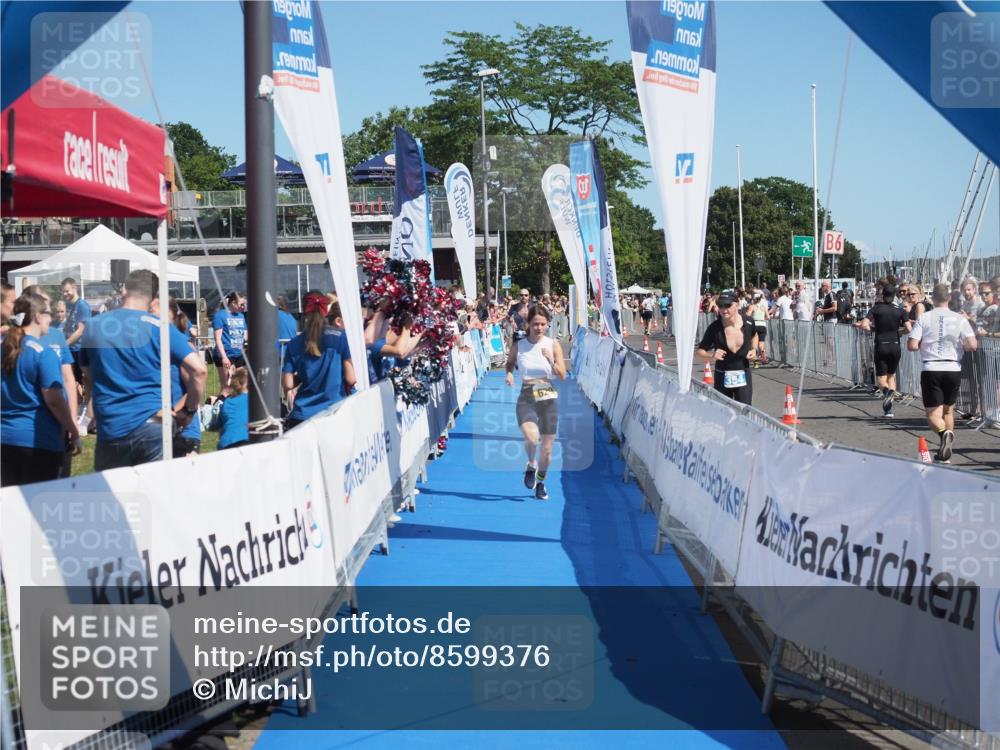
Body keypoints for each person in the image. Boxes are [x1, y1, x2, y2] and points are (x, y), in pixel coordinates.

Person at [79, 270, 207, 471]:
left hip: (111, 428)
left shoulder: (94, 326)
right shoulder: (159, 327)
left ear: (124, 289)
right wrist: (189, 410)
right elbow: (199, 371)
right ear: (154, 297)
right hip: (154, 425)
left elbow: (88, 373)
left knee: (115, 497)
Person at [1, 294, 80, 486]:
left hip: (5, 439)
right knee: (40, 508)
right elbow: (53, 400)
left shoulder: (5, 348)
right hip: (38, 440)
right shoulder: (43, 353)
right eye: (48, 313)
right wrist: (72, 428)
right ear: (37, 317)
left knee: (12, 509)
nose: (51, 318)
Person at [907, 283, 978, 463]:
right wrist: (957, 345)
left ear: (933, 299)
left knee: (933, 414)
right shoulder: (959, 319)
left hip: (932, 368)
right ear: (949, 299)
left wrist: (925, 344)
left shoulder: (924, 318)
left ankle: (944, 434)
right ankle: (946, 451)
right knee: (948, 411)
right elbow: (972, 345)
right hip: (953, 367)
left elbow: (912, 345)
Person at [504, 305, 567, 501]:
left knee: (547, 450)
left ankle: (541, 483)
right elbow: (510, 362)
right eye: (535, 324)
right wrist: (509, 374)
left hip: (547, 396)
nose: (539, 328)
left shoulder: (553, 344)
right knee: (532, 439)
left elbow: (562, 375)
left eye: (542, 324)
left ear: (547, 324)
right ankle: (531, 464)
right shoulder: (520, 345)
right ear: (528, 325)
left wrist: (550, 360)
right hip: (527, 395)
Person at [23, 286, 79, 472]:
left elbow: (69, 379)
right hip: (35, 423)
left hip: (60, 421)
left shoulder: (56, 334)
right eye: (43, 303)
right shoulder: (17, 338)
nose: (49, 309)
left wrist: (71, 419)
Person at [283, 292, 356, 429]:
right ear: (326, 310)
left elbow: (287, 384)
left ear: (304, 312)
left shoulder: (293, 343)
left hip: (303, 416)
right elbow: (351, 379)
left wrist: (301, 377)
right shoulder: (341, 338)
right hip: (333, 413)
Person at [696, 294, 758, 406]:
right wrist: (712, 355)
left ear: (737, 305)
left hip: (743, 374)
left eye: (727, 305)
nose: (724, 310)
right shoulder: (715, 328)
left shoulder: (748, 322)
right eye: (720, 306)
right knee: (723, 412)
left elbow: (754, 335)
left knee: (744, 412)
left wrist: (754, 349)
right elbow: (700, 352)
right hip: (722, 376)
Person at [856, 285, 907, 417]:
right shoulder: (900, 310)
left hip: (881, 345)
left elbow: (864, 324)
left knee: (880, 380)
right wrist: (898, 332)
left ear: (883, 295)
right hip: (895, 345)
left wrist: (874, 329)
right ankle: (888, 410)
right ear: (894, 295)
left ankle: (887, 393)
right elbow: (909, 328)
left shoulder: (876, 309)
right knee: (891, 376)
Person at [167, 298, 202, 457]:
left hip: (184, 431)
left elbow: (196, 381)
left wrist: (181, 412)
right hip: (159, 431)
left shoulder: (182, 347)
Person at [213, 291, 248, 395]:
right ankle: (221, 407)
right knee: (227, 387)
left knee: (241, 385)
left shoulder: (241, 316)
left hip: (239, 354)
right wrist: (224, 357)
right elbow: (218, 338)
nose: (243, 307)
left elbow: (245, 335)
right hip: (226, 354)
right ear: (233, 303)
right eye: (241, 304)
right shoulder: (220, 315)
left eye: (244, 304)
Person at [218, 367, 250, 450]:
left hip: (225, 444)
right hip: (246, 443)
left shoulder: (227, 402)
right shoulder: (254, 401)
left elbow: (221, 429)